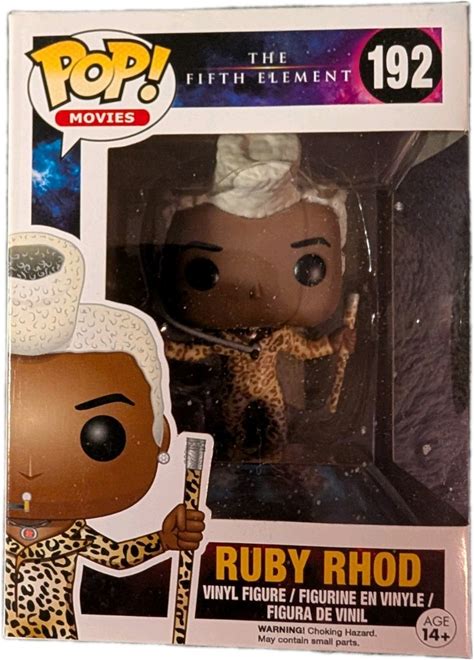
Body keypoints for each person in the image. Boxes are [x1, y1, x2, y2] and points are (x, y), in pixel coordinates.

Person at [6, 230, 205, 639]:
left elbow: (117, 556)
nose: (31, 471)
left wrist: (164, 540)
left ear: (161, 438)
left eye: (101, 438)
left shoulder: (73, 536)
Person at [161, 134, 356, 462]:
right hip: (235, 395)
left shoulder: (277, 338)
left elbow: (307, 350)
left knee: (276, 426)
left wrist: (333, 342)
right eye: (203, 272)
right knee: (234, 427)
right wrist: (162, 346)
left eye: (308, 268)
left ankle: (272, 458)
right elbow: (194, 352)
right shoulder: (226, 341)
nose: (254, 290)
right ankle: (237, 457)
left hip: (270, 391)